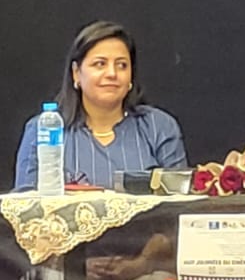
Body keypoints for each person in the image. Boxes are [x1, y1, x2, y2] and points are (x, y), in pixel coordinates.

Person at [12, 21, 187, 191]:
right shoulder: (44, 130)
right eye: (100, 64)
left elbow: (180, 203)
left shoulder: (158, 127)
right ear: (76, 73)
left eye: (121, 65)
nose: (112, 74)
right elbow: (24, 204)